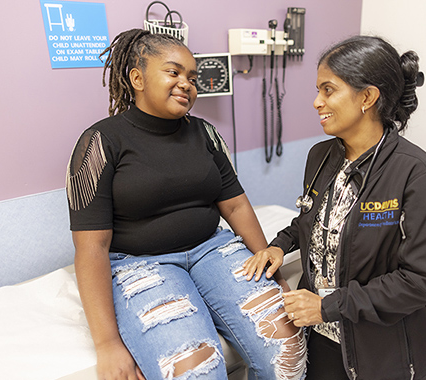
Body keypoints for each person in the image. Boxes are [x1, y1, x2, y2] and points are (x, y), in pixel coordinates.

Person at [66, 29, 306, 380]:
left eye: (193, 77)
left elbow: (236, 207)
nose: (187, 84)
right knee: (195, 371)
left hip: (213, 249)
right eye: (173, 72)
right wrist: (107, 344)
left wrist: (275, 276)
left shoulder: (206, 134)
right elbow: (91, 247)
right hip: (141, 264)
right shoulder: (99, 143)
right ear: (137, 78)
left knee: (288, 348)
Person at [243, 35, 426, 379]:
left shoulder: (417, 174)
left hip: (381, 349)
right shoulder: (320, 157)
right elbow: (312, 217)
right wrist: (280, 245)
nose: (316, 102)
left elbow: (421, 280)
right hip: (322, 338)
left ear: (367, 97)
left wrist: (327, 306)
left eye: (328, 90)